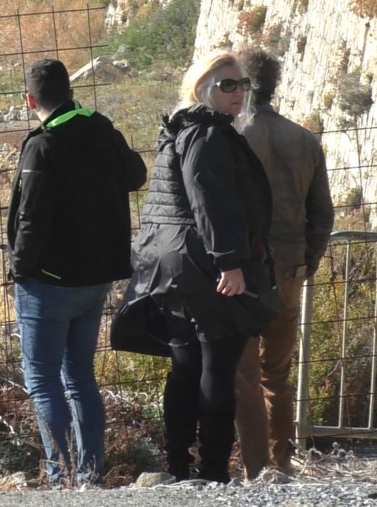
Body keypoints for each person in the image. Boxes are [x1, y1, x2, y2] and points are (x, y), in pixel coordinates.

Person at [114, 50, 275, 484]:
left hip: (169, 262)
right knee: (217, 365)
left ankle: (179, 467)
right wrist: (231, 263)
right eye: (227, 85)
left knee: (185, 365)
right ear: (203, 88)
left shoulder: (180, 129)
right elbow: (211, 202)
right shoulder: (206, 134)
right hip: (201, 262)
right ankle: (214, 470)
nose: (238, 93)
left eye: (243, 84)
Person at [7, 58, 147, 484]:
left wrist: (19, 268)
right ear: (71, 91)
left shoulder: (42, 146)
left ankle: (61, 475)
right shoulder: (101, 128)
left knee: (44, 380)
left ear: (30, 100)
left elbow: (31, 219)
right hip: (96, 279)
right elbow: (136, 174)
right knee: (80, 378)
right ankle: (89, 476)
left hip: (48, 283)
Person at [233, 45, 334, 479]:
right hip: (290, 266)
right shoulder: (303, 139)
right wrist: (306, 260)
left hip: (241, 269)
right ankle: (282, 464)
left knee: (242, 372)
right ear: (275, 86)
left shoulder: (233, 139)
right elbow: (322, 213)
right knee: (277, 373)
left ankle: (253, 466)